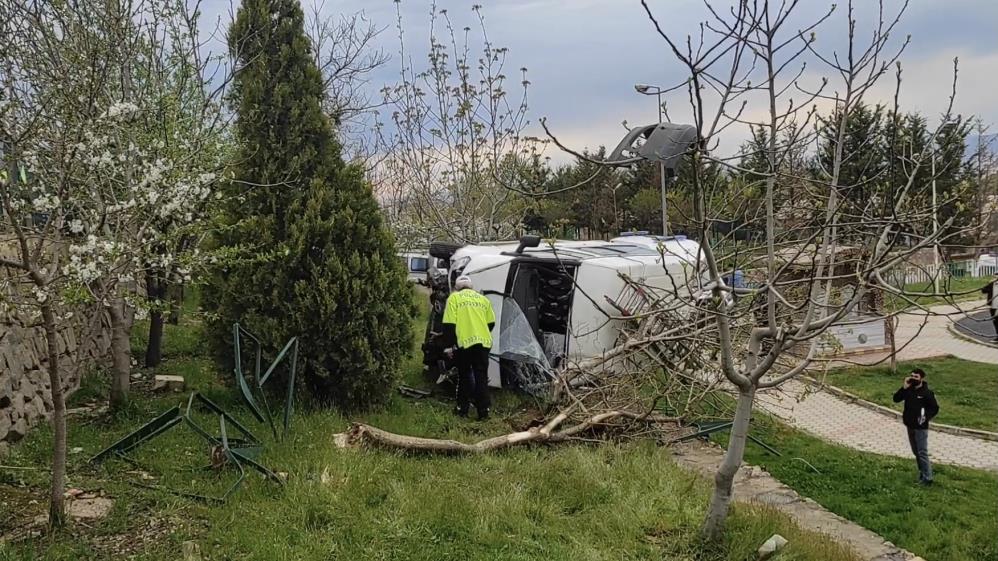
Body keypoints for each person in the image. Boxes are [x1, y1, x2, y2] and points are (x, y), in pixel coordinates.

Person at [442, 275, 496, 420]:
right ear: (471, 287)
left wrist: (448, 346)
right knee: (482, 377)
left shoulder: (454, 298)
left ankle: (462, 410)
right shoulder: (483, 300)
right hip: (483, 343)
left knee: (464, 376)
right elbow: (491, 323)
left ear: (457, 287)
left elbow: (449, 324)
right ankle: (483, 412)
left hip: (464, 344)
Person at [892, 368, 940, 485]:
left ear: (922, 378)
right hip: (910, 425)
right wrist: (904, 387)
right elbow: (896, 399)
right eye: (912, 376)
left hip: (921, 427)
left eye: (916, 377)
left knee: (922, 452)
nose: (913, 378)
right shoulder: (909, 390)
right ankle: (922, 473)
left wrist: (925, 417)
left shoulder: (927, 393)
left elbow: (934, 408)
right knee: (916, 452)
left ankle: (928, 478)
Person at [982, 273, 998, 342]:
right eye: (995, 276)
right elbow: (983, 290)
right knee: (995, 322)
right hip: (993, 306)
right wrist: (989, 283)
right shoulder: (992, 284)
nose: (995, 278)